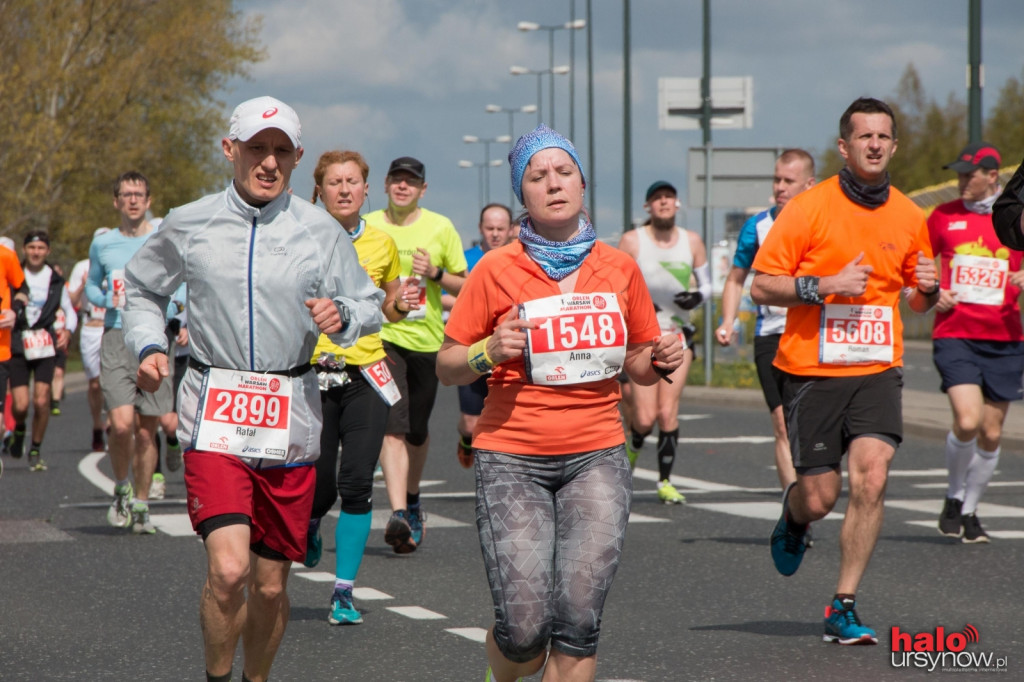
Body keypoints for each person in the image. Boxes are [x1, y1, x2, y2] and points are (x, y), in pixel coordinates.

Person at [122, 96, 383, 682]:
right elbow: (141, 289)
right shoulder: (191, 221)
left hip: (290, 416)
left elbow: (370, 307)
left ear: (297, 158)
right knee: (230, 572)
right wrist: (148, 345)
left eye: (281, 151)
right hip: (214, 409)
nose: (269, 162)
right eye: (257, 148)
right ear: (230, 149)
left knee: (268, 587)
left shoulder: (319, 230)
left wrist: (343, 313)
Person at [438, 124, 684, 682]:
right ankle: (503, 667)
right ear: (522, 192)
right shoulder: (495, 268)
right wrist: (486, 350)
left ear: (583, 183)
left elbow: (639, 361)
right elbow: (447, 362)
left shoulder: (618, 267)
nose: (553, 184)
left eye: (564, 172)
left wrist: (662, 357)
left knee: (577, 624)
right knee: (524, 634)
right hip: (511, 457)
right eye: (537, 176)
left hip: (596, 453)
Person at [750, 97, 938, 645]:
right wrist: (824, 286)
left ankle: (843, 605)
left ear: (894, 146)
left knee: (873, 476)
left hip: (878, 365)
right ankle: (795, 513)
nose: (875, 145)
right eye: (864, 137)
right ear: (844, 146)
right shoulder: (808, 209)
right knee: (820, 497)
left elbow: (919, 300)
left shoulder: (909, 214)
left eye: (884, 137)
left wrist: (927, 287)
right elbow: (764, 284)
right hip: (812, 368)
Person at [305, 149, 417, 625]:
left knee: (355, 482)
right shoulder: (299, 237)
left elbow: (390, 307)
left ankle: (343, 592)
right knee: (321, 487)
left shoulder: (383, 245)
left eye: (353, 181)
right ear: (320, 191)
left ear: (366, 190)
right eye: (335, 182)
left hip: (366, 372)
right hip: (311, 373)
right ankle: (310, 522)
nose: (345, 189)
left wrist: (404, 304)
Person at [365, 156, 467, 553]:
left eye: (412, 182)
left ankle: (413, 496)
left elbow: (467, 286)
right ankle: (399, 513)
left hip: (427, 341)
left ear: (423, 190)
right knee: (393, 426)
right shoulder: (369, 226)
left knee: (417, 431)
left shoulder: (440, 227)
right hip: (383, 336)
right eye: (397, 180)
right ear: (386, 185)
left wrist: (436, 274)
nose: (403, 187)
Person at [928, 142, 1023, 543]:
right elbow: (912, 267)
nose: (962, 181)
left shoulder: (1013, 218)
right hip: (956, 333)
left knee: (991, 433)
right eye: (960, 174)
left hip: (1005, 336)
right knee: (967, 420)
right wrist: (934, 293)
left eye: (970, 174)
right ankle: (953, 495)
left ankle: (970, 510)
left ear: (992, 176)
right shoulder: (941, 217)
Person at [716, 150, 817, 493]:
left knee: (813, 425)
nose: (780, 187)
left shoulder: (822, 223)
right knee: (782, 424)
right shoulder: (757, 226)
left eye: (789, 181)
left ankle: (810, 493)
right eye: (777, 179)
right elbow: (735, 278)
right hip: (771, 336)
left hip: (813, 335)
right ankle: (794, 509)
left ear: (809, 185)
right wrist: (727, 321)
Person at [86, 171, 174, 533]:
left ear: (149, 201)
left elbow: (178, 284)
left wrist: (178, 312)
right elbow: (91, 285)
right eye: (126, 194)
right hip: (117, 337)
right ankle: (121, 487)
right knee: (121, 426)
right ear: (117, 201)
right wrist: (103, 298)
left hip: (153, 339)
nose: (133, 200)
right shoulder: (104, 244)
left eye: (139, 194)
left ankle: (140, 502)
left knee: (145, 431)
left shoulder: (161, 239)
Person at [617, 180, 709, 504]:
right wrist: (638, 303)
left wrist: (696, 296)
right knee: (644, 418)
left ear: (677, 204)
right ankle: (632, 448)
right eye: (657, 199)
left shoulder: (692, 241)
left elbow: (708, 287)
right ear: (648, 207)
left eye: (669, 197)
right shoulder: (632, 241)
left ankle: (665, 483)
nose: (664, 203)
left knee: (668, 412)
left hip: (677, 336)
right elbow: (615, 287)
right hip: (642, 339)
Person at [6, 231, 77, 471]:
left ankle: (35, 448)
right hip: (18, 341)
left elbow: (69, 310)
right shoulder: (14, 275)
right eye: (32, 247)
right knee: (21, 405)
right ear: (24, 250)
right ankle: (19, 428)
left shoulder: (55, 280)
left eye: (40, 248)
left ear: (47, 251)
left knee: (42, 399)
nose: (36, 252)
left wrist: (68, 330)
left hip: (45, 343)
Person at [454, 203, 514, 468]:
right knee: (470, 423)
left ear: (511, 230)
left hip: (510, 353)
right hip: (475, 347)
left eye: (501, 228)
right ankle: (466, 440)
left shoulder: (520, 260)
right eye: (490, 228)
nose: (495, 234)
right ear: (480, 229)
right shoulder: (466, 260)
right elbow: (447, 298)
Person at [68, 228, 110, 451]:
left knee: (113, 379)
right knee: (94, 383)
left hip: (111, 326)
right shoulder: (81, 267)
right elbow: (71, 301)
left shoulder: (117, 264)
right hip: (91, 326)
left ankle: (113, 421)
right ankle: (97, 425)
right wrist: (84, 284)